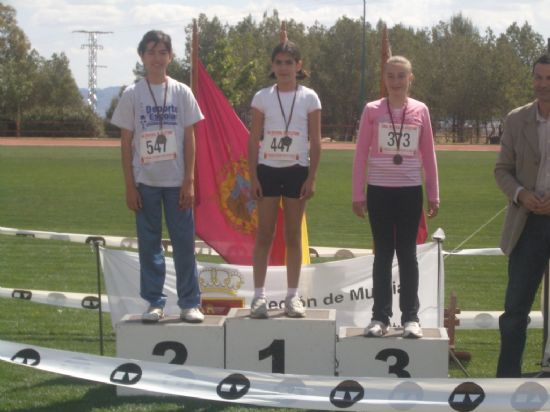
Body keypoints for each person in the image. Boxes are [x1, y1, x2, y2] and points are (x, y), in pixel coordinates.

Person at [111, 30, 204, 323]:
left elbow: (190, 138)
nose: (157, 58)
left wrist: (189, 180)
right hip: (146, 183)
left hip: (177, 182)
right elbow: (126, 143)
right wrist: (129, 185)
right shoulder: (132, 94)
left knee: (184, 244)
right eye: (151, 52)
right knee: (150, 246)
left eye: (162, 52)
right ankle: (154, 301)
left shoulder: (181, 92)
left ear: (171, 57)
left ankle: (190, 303)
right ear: (142, 56)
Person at [352, 55, 439, 338]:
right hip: (379, 191)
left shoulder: (421, 110)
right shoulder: (372, 110)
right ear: (384, 79)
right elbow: (360, 153)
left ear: (410, 79)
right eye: (391, 76)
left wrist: (433, 194)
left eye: (402, 76)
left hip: (410, 191)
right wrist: (358, 193)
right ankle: (380, 317)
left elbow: (428, 154)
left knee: (407, 254)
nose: (396, 81)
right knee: (382, 255)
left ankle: (411, 317)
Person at [247, 40, 322, 318]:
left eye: (289, 62)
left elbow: (315, 141)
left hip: (296, 172)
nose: (283, 67)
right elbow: (254, 139)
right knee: (265, 234)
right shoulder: (262, 97)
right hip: (267, 170)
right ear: (272, 66)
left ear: (299, 66)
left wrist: (311, 177)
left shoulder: (310, 98)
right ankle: (258, 297)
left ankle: (293, 297)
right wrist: (253, 175)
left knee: (292, 235)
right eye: (278, 62)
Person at [495, 53, 550, 377]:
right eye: (538, 78)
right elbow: (502, 170)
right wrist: (520, 194)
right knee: (515, 310)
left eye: (549, 78)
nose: (542, 85)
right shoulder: (517, 120)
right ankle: (506, 380)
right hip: (526, 225)